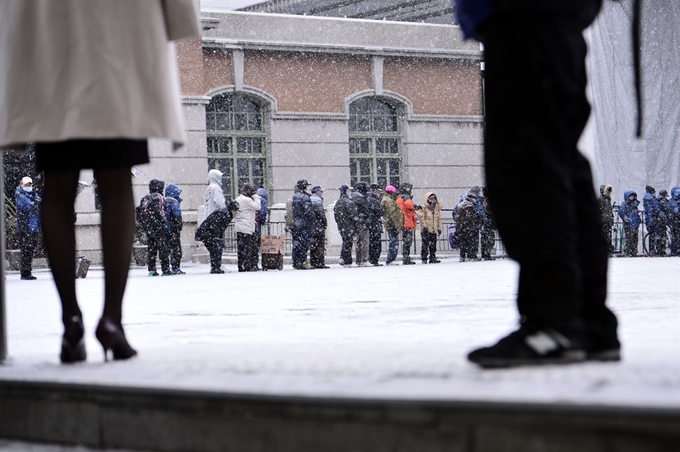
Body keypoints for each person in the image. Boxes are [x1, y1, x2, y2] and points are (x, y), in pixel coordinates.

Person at [0, 1, 199, 363]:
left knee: (58, 186)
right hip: (118, 37)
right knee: (117, 183)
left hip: (55, 40)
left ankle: (70, 321)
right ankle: (112, 321)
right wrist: (179, 17)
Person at [455, 0, 621, 367]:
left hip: (523, 16)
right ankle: (586, 321)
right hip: (546, 17)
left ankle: (555, 323)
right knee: (556, 160)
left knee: (527, 168)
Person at [195, 201, 240, 274]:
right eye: (235, 211)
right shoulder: (225, 214)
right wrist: (216, 236)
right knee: (216, 249)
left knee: (215, 249)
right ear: (232, 210)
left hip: (207, 233)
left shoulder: (225, 213)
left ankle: (216, 266)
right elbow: (215, 225)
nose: (236, 213)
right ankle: (216, 267)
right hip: (208, 233)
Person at [139, 179, 171, 277]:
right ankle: (165, 269)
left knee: (151, 248)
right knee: (162, 248)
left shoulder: (145, 198)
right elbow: (160, 211)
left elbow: (140, 212)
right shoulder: (159, 197)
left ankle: (152, 269)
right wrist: (164, 221)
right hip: (157, 226)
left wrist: (145, 224)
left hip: (148, 226)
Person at [14, 176, 42, 280]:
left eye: (30, 184)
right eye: (26, 184)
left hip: (33, 228)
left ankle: (27, 271)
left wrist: (36, 203)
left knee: (30, 250)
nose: (28, 186)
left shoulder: (34, 195)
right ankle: (25, 273)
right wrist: (35, 203)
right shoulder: (20, 195)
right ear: (21, 184)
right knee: (26, 250)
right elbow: (28, 206)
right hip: (25, 227)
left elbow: (38, 203)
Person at [233, 183, 262, 272]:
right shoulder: (247, 200)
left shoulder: (238, 199)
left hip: (239, 226)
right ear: (248, 191)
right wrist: (256, 196)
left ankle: (241, 265)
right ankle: (247, 266)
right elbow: (258, 206)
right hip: (246, 227)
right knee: (247, 248)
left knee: (241, 249)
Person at [291, 179, 314, 270]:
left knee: (297, 243)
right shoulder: (305, 197)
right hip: (304, 223)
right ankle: (302, 261)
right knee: (304, 243)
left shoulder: (295, 196)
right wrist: (313, 219)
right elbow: (308, 210)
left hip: (297, 222)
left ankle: (296, 261)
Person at [205, 169, 226, 258]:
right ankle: (217, 263)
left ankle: (215, 262)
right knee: (218, 242)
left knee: (213, 242)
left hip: (209, 217)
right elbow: (220, 203)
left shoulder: (209, 187)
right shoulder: (216, 188)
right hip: (217, 218)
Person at [453, 192, 481, 262]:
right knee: (470, 242)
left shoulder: (461, 204)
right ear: (471, 198)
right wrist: (474, 224)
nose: (475, 200)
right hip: (468, 227)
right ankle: (470, 256)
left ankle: (462, 257)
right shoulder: (470, 206)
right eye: (475, 199)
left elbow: (457, 217)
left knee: (463, 243)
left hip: (461, 227)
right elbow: (470, 218)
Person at [334, 184, 357, 267]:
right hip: (348, 225)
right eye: (349, 190)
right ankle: (346, 260)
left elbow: (336, 216)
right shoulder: (348, 202)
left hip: (341, 225)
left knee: (345, 241)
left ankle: (343, 258)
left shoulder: (338, 202)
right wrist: (355, 223)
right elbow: (354, 215)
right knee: (348, 242)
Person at [164, 183, 185, 275]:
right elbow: (177, 215)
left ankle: (166, 268)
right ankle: (176, 268)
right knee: (176, 249)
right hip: (173, 229)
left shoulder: (163, 201)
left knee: (166, 250)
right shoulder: (174, 202)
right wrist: (179, 226)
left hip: (164, 229)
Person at [381, 185, 404, 265]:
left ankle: (391, 259)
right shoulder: (389, 201)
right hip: (392, 224)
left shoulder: (388, 199)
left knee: (393, 241)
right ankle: (390, 259)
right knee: (393, 242)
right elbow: (392, 214)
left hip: (391, 223)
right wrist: (396, 224)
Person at [417, 192, 442, 264]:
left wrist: (439, 228)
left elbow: (439, 219)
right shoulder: (424, 207)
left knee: (433, 245)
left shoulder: (437, 208)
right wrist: (424, 226)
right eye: (431, 198)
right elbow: (421, 217)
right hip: (426, 229)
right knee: (425, 244)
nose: (433, 200)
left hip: (433, 229)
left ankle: (432, 257)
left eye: (434, 198)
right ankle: (424, 258)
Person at [396, 183, 417, 265]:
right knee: (407, 241)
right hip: (407, 222)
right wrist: (415, 206)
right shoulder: (405, 197)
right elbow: (409, 205)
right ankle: (406, 257)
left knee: (406, 241)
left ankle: (406, 257)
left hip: (404, 221)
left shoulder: (399, 198)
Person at [351, 182, 371, 267]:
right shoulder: (362, 199)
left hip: (358, 222)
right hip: (363, 222)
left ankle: (359, 260)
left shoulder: (354, 198)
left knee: (358, 242)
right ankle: (364, 259)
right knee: (365, 241)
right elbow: (366, 211)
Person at [309, 186, 330, 269]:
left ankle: (313, 261)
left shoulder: (309, 199)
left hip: (312, 226)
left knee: (313, 245)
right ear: (317, 192)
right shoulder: (317, 200)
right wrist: (324, 223)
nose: (322, 193)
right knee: (320, 245)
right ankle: (320, 262)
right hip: (318, 226)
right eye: (321, 191)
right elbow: (321, 214)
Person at [618, 191, 641, 257]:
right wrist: (626, 218)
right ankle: (628, 251)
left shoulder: (634, 204)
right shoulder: (625, 204)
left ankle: (633, 251)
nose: (632, 197)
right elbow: (621, 212)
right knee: (629, 238)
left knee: (635, 238)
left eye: (633, 196)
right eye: (630, 196)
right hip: (629, 223)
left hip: (635, 223)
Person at [367, 184, 385, 266]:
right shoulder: (374, 201)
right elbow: (380, 211)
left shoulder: (369, 199)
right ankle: (374, 259)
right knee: (376, 244)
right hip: (374, 224)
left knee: (372, 243)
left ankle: (372, 259)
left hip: (372, 224)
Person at [643, 185, 662, 256]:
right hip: (654, 219)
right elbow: (657, 208)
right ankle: (656, 250)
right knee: (656, 235)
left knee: (651, 235)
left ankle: (651, 250)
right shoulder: (652, 199)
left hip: (649, 220)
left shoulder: (646, 198)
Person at [480, 186, 497, 260]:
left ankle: (484, 254)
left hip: (485, 223)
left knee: (484, 240)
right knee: (489, 240)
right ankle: (487, 255)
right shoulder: (489, 202)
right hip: (489, 223)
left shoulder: (483, 201)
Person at [254, 187, 269, 270]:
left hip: (251, 224)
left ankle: (251, 263)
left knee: (251, 244)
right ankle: (255, 263)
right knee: (256, 244)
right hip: (257, 224)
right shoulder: (262, 201)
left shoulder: (254, 199)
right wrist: (262, 221)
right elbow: (263, 212)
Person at [597, 185, 615, 254]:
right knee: (606, 236)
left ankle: (607, 250)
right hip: (604, 221)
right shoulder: (602, 199)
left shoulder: (607, 199)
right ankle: (606, 250)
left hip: (606, 220)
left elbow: (609, 210)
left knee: (607, 236)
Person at [656, 189, 670, 256]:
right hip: (662, 221)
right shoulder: (664, 202)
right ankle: (662, 250)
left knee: (659, 236)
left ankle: (660, 250)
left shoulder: (657, 201)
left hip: (659, 221)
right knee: (663, 236)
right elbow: (667, 209)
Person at [669, 187, 680, 256]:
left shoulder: (672, 201)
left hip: (676, 220)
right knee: (675, 236)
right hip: (675, 221)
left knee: (676, 236)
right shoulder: (672, 201)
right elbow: (674, 210)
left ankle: (676, 250)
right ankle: (675, 250)